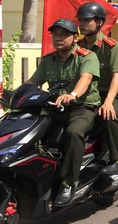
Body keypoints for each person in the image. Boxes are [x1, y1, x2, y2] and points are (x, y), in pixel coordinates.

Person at [26, 19, 100, 206]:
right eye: (55, 34)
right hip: (55, 107)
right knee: (30, 127)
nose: (58, 38)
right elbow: (32, 83)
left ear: (75, 37)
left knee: (74, 132)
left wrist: (73, 94)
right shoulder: (48, 61)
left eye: (63, 34)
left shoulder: (87, 56)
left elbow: (86, 78)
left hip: (82, 107)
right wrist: (13, 95)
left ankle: (69, 182)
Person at [76, 2, 118, 175]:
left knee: (108, 116)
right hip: (85, 95)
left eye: (86, 20)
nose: (82, 24)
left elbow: (116, 76)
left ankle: (116, 159)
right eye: (80, 20)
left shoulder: (111, 47)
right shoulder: (78, 46)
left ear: (99, 23)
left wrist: (109, 102)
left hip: (107, 94)